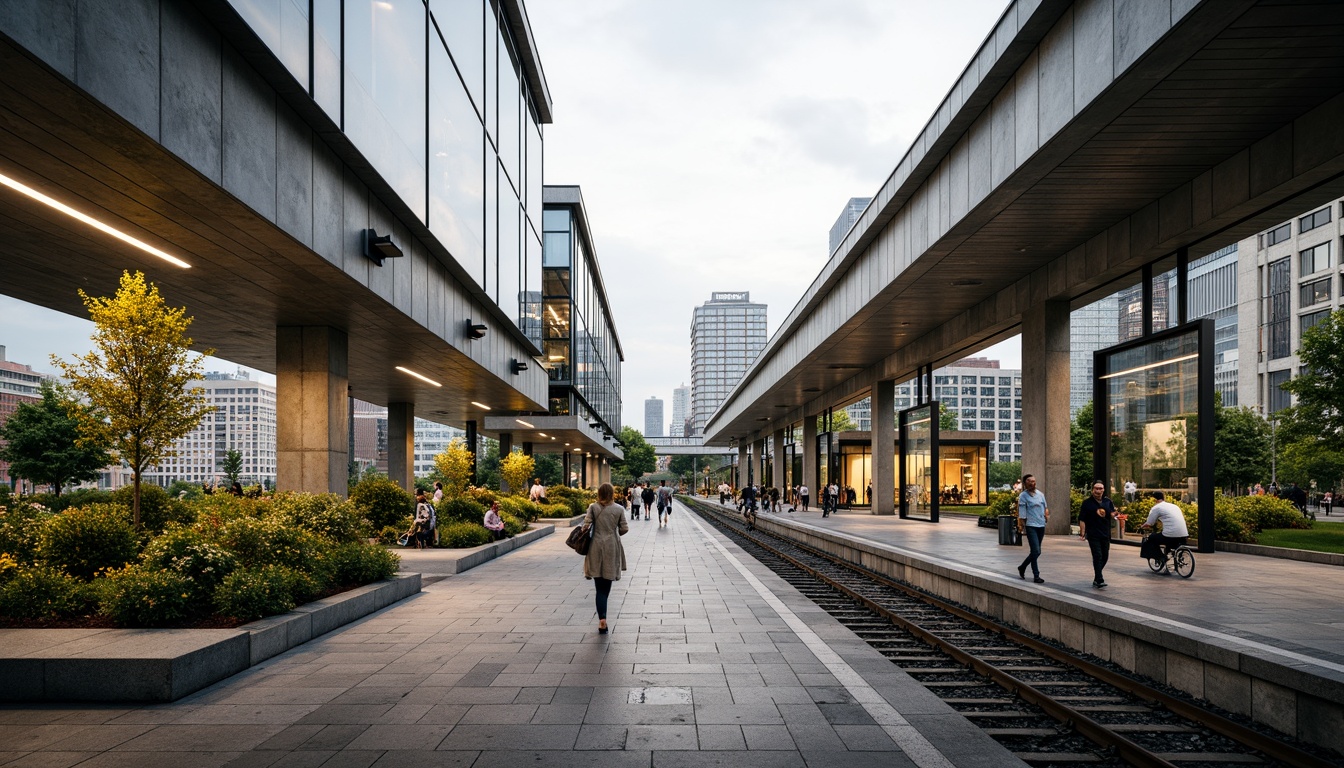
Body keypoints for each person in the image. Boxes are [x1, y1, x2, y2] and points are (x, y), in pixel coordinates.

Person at [583, 483, 628, 634]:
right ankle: (603, 616)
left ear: (599, 493)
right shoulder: (619, 509)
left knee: (598, 586)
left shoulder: (593, 507)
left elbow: (585, 526)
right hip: (611, 547)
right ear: (612, 493)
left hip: (595, 546)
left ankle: (602, 620)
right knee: (606, 585)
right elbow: (624, 529)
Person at [1078, 480, 1115, 588]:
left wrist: (1116, 515)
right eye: (1096, 488)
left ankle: (1096, 576)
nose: (1098, 491)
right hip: (1093, 533)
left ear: (1103, 490)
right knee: (1097, 555)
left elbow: (1112, 513)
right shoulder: (1087, 503)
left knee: (1105, 556)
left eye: (1100, 489)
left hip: (1105, 533)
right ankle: (1099, 579)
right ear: (1092, 490)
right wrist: (1082, 533)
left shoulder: (1108, 502)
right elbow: (1082, 519)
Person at [1016, 474, 1049, 583]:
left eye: (1034, 481)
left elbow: (1045, 507)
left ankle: (1023, 567)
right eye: (1029, 481)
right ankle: (1036, 575)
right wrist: (1023, 526)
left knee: (1036, 551)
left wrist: (1046, 516)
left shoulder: (1040, 494)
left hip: (1041, 525)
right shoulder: (1023, 496)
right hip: (1031, 526)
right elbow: (1022, 513)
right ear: (1025, 484)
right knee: (1036, 551)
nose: (1032, 483)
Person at [1141, 491, 1188, 566]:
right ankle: (1172, 554)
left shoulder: (1156, 508)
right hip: (1184, 535)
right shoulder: (1174, 506)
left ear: (1154, 499)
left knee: (1151, 538)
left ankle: (1162, 557)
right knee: (1165, 536)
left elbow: (1150, 523)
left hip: (1170, 536)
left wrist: (1142, 526)